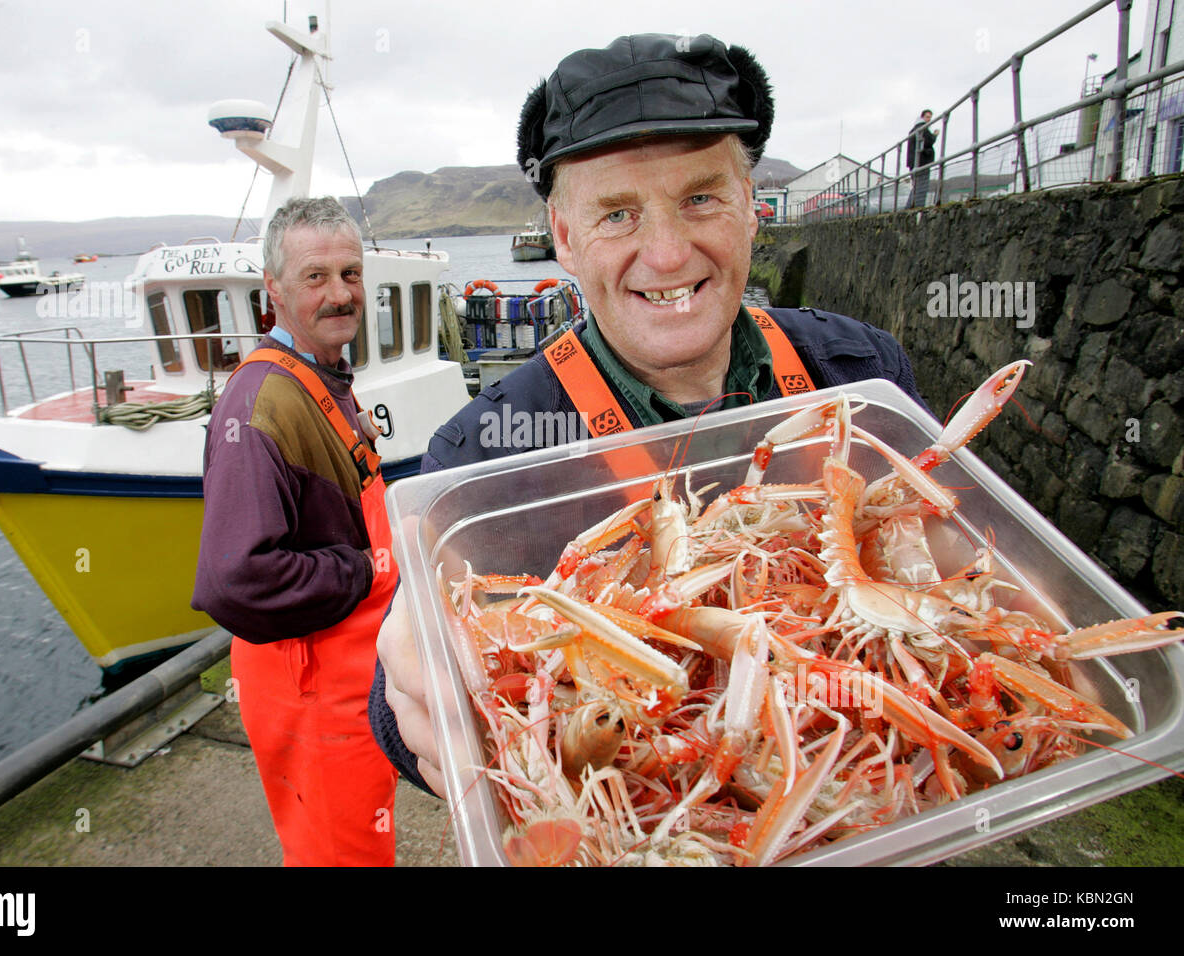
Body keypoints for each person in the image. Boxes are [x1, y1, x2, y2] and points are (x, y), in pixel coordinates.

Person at [369, 34, 931, 797]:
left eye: (701, 197)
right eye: (618, 214)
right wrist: (408, 695)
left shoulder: (861, 373)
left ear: (752, 211)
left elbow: (945, 561)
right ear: (564, 238)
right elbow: (407, 691)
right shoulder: (478, 455)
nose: (667, 255)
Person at [192, 196, 398, 866]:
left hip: (351, 686)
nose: (339, 294)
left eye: (350, 273)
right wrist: (365, 572)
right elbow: (235, 579)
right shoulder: (260, 405)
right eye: (316, 277)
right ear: (273, 290)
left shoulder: (321, 377)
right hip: (311, 698)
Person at [906, 108, 938, 209]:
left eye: (930, 118)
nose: (929, 119)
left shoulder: (914, 129)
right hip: (921, 162)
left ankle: (910, 208)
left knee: (917, 186)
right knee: (921, 186)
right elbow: (929, 141)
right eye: (927, 117)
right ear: (922, 117)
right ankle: (916, 207)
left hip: (914, 162)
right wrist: (935, 135)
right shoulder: (922, 128)